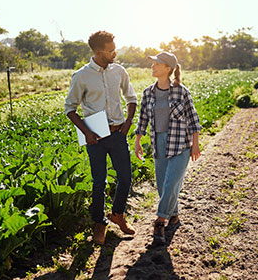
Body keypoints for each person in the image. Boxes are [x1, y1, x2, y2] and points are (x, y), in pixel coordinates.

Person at [65, 30, 138, 245]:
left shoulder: (119, 71)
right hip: (95, 138)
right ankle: (99, 223)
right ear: (98, 52)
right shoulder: (81, 76)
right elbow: (70, 108)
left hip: (118, 134)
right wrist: (87, 132)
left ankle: (118, 214)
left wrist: (128, 123)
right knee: (99, 182)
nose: (115, 53)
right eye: (111, 50)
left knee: (125, 178)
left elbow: (131, 98)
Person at [134, 51, 201, 245]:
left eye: (156, 64)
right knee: (162, 185)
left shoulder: (181, 91)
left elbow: (193, 119)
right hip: (159, 143)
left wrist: (195, 144)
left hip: (180, 144)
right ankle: (174, 215)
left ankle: (160, 222)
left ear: (168, 69)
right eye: (152, 64)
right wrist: (138, 141)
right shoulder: (148, 92)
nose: (152, 67)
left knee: (171, 183)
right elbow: (143, 120)